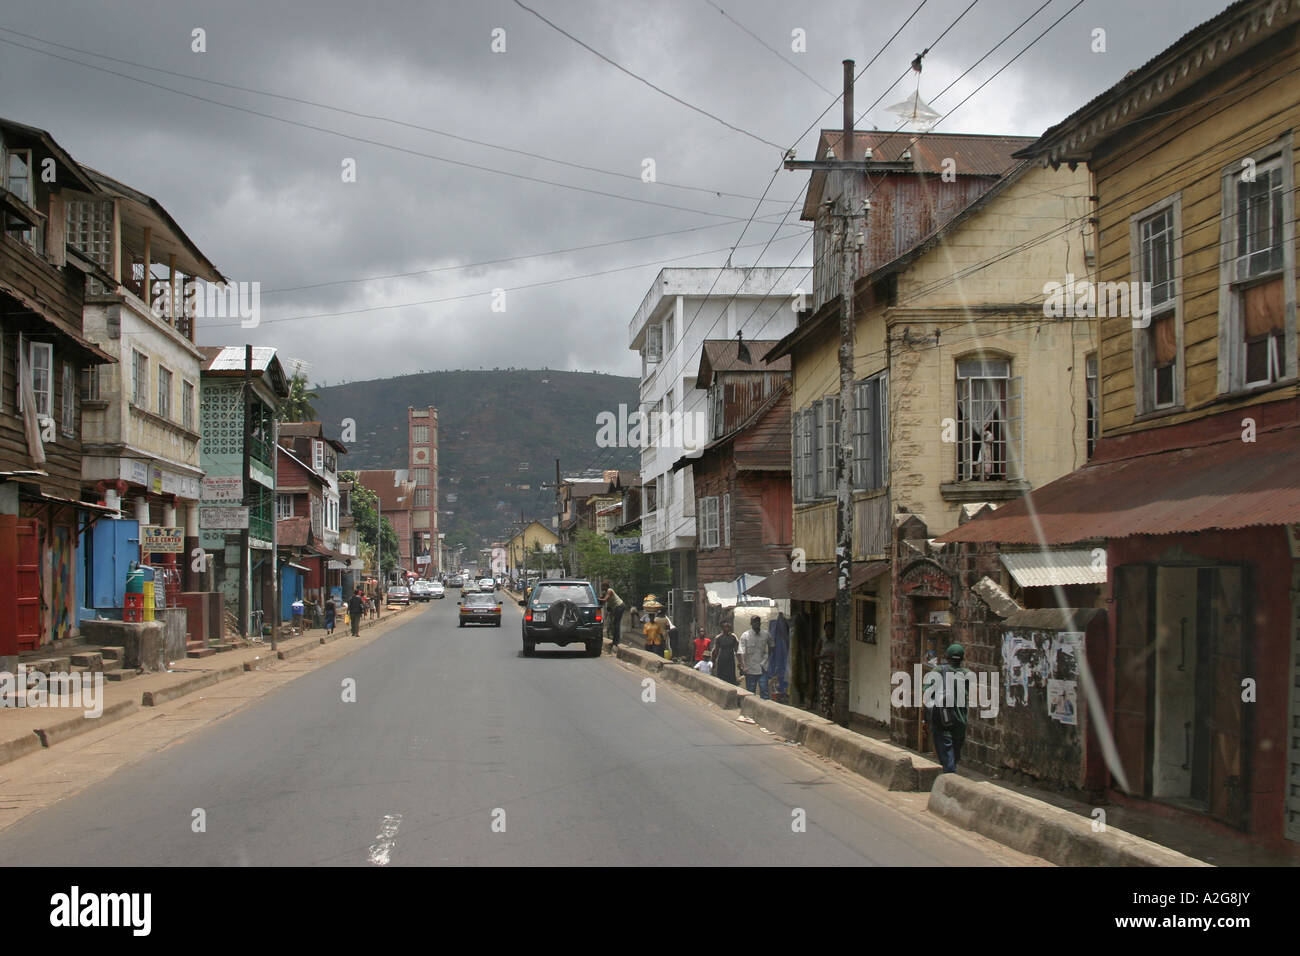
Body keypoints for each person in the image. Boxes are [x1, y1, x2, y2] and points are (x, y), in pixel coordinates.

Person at [926, 643, 970, 773]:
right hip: (960, 721)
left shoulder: (938, 671)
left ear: (947, 657)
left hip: (942, 721)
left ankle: (949, 784)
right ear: (962, 659)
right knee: (954, 757)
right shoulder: (967, 674)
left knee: (947, 761)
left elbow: (927, 693)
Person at [738, 615, 774, 699]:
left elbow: (772, 646)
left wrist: (768, 657)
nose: (756, 623)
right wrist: (744, 667)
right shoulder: (745, 635)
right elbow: (741, 652)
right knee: (750, 692)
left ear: (760, 623)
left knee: (764, 691)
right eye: (754, 622)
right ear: (751, 623)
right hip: (750, 669)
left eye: (758, 621)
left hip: (763, 667)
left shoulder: (766, 634)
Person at [815, 619, 835, 718]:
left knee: (833, 688)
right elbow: (815, 655)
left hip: (835, 666)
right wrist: (825, 655)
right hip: (824, 666)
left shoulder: (836, 640)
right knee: (825, 688)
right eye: (828, 629)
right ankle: (826, 709)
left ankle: (832, 708)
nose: (829, 631)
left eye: (831, 629)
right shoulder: (822, 640)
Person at [769, 611, 790, 701]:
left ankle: (782, 693)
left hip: (781, 659)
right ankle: (780, 693)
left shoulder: (784, 640)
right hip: (778, 659)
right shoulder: (779, 638)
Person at [599, 580, 626, 648]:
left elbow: (604, 600)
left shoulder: (609, 591)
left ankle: (616, 642)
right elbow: (602, 601)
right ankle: (615, 641)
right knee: (614, 624)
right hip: (616, 608)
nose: (601, 588)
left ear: (605, 586)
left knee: (616, 624)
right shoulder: (605, 592)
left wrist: (596, 598)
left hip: (619, 606)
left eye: (602, 586)